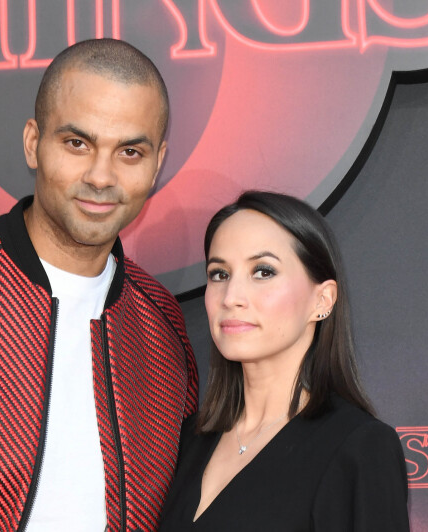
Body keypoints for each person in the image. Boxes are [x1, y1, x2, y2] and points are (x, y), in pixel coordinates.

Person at [0, 38, 198, 531]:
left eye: (130, 151)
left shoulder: (162, 325)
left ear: (157, 164)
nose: (100, 176)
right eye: (77, 143)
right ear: (34, 142)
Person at [160, 191, 409, 531]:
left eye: (263, 271)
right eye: (220, 274)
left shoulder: (358, 448)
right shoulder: (186, 442)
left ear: (322, 300)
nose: (231, 297)